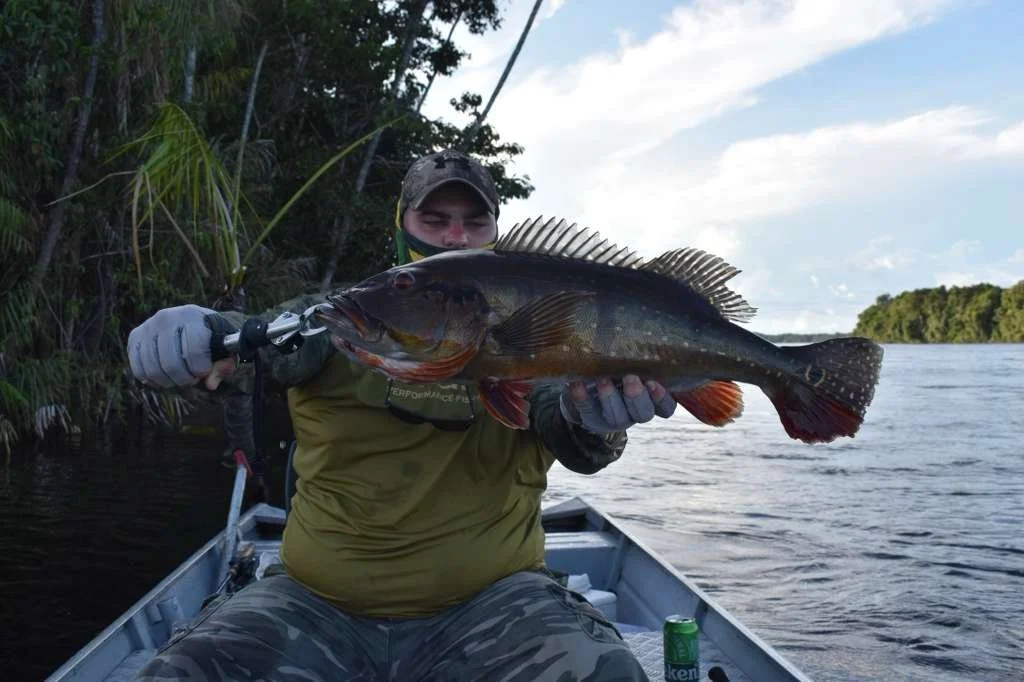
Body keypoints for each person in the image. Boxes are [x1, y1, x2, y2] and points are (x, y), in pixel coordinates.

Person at [127, 149, 677, 681]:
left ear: (495, 233)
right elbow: (251, 339)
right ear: (401, 226)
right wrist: (197, 332)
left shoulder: (539, 333)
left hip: (497, 607)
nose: (455, 236)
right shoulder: (340, 318)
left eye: (474, 222)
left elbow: (571, 432)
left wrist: (599, 421)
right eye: (434, 219)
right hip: (313, 607)